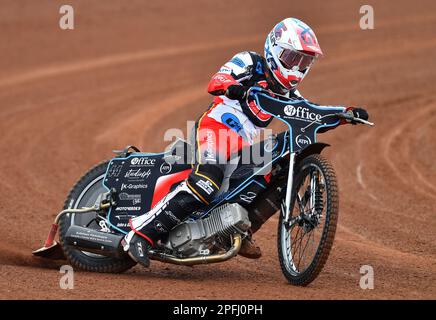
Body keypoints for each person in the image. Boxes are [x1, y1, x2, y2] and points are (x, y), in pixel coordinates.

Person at [121, 17, 369, 267]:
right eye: (293, 58)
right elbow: (217, 80)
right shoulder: (250, 62)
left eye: (304, 61)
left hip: (241, 147)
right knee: (207, 182)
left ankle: (240, 230)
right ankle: (140, 234)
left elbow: (310, 112)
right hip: (216, 128)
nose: (297, 67)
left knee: (279, 172)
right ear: (274, 49)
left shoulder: (289, 94)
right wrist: (233, 88)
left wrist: (344, 114)